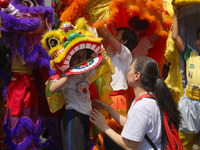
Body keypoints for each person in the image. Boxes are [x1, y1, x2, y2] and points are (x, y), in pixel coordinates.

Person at [90, 56, 181, 150]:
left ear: (137, 76)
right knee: (110, 141)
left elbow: (130, 146)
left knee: (109, 141)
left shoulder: (141, 107)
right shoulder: (150, 97)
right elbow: (132, 124)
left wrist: (104, 127)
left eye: (129, 70)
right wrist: (108, 108)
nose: (127, 72)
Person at [49, 48, 104, 150]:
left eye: (83, 56)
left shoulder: (85, 72)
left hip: (86, 116)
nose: (80, 59)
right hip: (74, 115)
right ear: (68, 58)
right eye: (76, 56)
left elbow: (103, 61)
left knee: (82, 146)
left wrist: (94, 56)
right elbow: (52, 88)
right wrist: (71, 74)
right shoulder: (64, 74)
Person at [172, 2, 200, 149]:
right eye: (199, 38)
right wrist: (176, 14)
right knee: (183, 142)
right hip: (190, 105)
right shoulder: (191, 55)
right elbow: (175, 37)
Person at [97, 26, 138, 116]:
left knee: (114, 128)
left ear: (124, 41)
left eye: (117, 35)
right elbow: (102, 36)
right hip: (106, 97)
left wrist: (98, 17)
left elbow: (106, 34)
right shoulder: (112, 52)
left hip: (117, 98)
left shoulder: (126, 53)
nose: (114, 36)